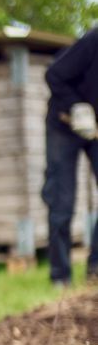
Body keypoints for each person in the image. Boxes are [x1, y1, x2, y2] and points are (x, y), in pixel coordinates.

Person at [43, 27, 98, 286]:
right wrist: (76, 105)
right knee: (62, 200)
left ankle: (96, 269)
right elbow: (54, 74)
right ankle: (61, 276)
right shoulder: (94, 41)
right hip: (64, 124)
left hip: (96, 129)